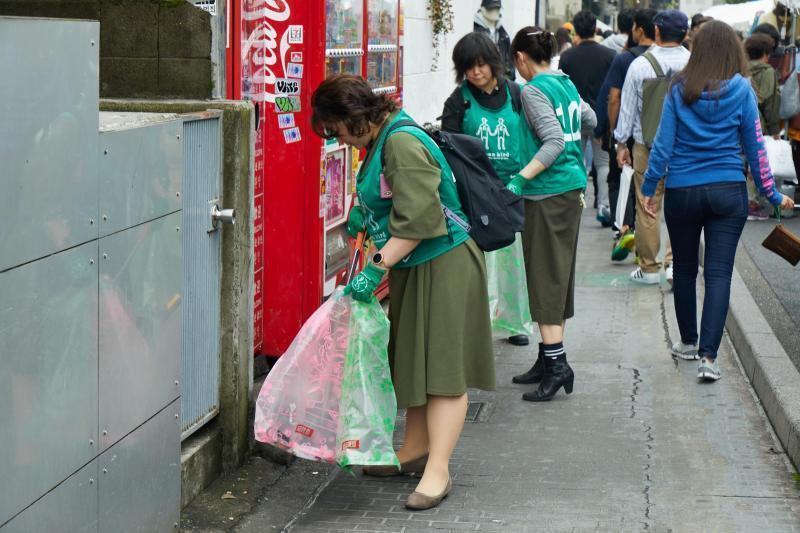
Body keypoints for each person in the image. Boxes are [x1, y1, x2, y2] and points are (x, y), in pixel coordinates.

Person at [311, 75, 495, 510]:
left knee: (443, 372)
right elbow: (390, 199)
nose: (341, 142)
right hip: (416, 264)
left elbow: (418, 220)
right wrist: (360, 213)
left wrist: (374, 270)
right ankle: (413, 450)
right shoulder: (380, 138)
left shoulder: (402, 142)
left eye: (337, 132)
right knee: (414, 360)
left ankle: (439, 469)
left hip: (444, 263)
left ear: (353, 118)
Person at [642, 20, 795, 380]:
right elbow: (756, 150)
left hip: (682, 191)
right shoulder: (743, 90)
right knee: (718, 272)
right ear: (732, 51)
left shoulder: (679, 88)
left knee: (682, 266)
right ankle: (710, 359)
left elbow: (662, 145)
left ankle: (689, 342)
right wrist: (773, 195)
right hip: (728, 191)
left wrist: (649, 188)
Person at [505, 27, 596, 402]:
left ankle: (558, 366)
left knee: (545, 277)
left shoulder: (532, 90)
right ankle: (547, 358)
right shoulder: (566, 83)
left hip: (548, 192)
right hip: (569, 188)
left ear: (521, 59)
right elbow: (587, 120)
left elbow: (554, 141)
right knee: (555, 275)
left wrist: (519, 178)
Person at [441, 32, 533, 347]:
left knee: (511, 260)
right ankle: (476, 324)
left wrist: (523, 178)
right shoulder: (458, 101)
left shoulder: (517, 95)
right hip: (475, 190)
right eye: (469, 67)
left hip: (512, 188)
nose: (476, 72)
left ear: (493, 63)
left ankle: (514, 322)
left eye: (481, 65)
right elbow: (447, 148)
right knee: (476, 261)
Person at [615, 10, 690, 285]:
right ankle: (674, 264)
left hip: (647, 147)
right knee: (680, 207)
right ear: (686, 33)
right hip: (686, 149)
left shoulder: (640, 65)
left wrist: (622, 143)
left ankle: (648, 268)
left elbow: (628, 109)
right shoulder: (695, 64)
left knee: (647, 207)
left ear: (656, 31)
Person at [604, 8, 658, 257]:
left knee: (623, 183)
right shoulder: (671, 57)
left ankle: (626, 230)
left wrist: (617, 135)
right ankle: (652, 250)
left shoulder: (626, 59)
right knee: (652, 195)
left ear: (640, 29)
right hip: (663, 137)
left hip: (635, 137)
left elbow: (614, 98)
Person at [559, 10, 617, 228]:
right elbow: (613, 92)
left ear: (576, 29)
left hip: (574, 117)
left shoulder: (567, 57)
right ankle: (604, 206)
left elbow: (562, 88)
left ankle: (575, 203)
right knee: (602, 164)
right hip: (600, 118)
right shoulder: (609, 55)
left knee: (575, 160)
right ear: (595, 29)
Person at [473, 0, 515, 81]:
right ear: (482, 9)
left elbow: (508, 62)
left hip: (500, 84)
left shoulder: (503, 34)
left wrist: (508, 82)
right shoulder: (474, 32)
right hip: (480, 82)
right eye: (492, 9)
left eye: (497, 9)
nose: (495, 12)